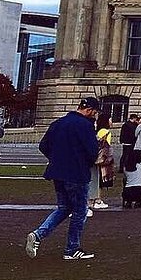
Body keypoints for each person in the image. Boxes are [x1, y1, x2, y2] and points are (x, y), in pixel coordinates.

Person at [26, 97, 101, 260]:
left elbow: (43, 146)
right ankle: (72, 249)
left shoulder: (58, 123)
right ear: (89, 111)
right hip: (77, 173)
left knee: (64, 207)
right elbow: (92, 153)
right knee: (80, 211)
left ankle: (38, 234)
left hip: (57, 172)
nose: (94, 116)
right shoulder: (86, 126)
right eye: (94, 112)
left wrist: (57, 159)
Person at [89, 116, 113, 212]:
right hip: (102, 159)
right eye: (110, 120)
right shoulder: (105, 131)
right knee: (100, 179)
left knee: (98, 179)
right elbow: (105, 146)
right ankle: (97, 200)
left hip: (98, 158)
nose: (112, 122)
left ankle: (96, 199)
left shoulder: (99, 130)